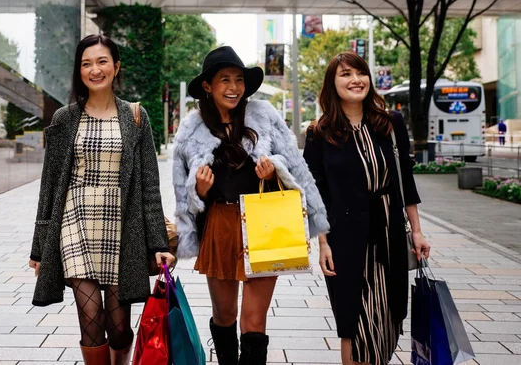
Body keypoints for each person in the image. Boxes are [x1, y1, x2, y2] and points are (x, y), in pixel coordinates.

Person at [173, 46, 329, 365]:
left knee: (254, 322)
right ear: (208, 85)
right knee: (226, 315)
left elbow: (295, 165)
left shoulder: (264, 115)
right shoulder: (192, 127)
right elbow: (182, 192)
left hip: (264, 223)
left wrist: (274, 169)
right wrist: (199, 190)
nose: (233, 87)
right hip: (220, 224)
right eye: (224, 80)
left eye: (239, 80)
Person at [28, 34, 175, 365]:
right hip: (75, 222)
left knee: (118, 326)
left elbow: (149, 185)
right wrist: (39, 248)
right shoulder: (65, 118)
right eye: (86, 63)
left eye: (102, 61)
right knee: (91, 318)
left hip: (122, 228)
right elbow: (50, 185)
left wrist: (159, 243)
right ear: (79, 71)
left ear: (116, 66)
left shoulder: (135, 116)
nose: (94, 69)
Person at [303, 52, 431, 365]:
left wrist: (417, 230)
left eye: (360, 73)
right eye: (345, 74)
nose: (355, 80)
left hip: (389, 236)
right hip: (345, 239)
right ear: (332, 84)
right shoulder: (319, 133)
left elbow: (405, 180)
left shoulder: (389, 123)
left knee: (387, 320)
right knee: (354, 324)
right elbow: (314, 193)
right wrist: (322, 244)